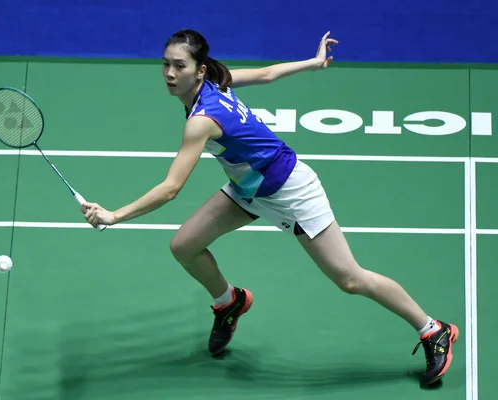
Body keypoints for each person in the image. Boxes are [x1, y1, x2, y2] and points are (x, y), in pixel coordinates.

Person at [81, 29, 458, 385]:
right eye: (165, 63)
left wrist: (115, 216)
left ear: (199, 69)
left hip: (292, 190)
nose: (169, 73)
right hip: (250, 187)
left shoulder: (201, 119)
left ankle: (433, 329)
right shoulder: (214, 81)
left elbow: (170, 188)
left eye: (179, 65)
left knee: (350, 279)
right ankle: (229, 302)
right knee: (184, 246)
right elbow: (266, 74)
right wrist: (312, 63)